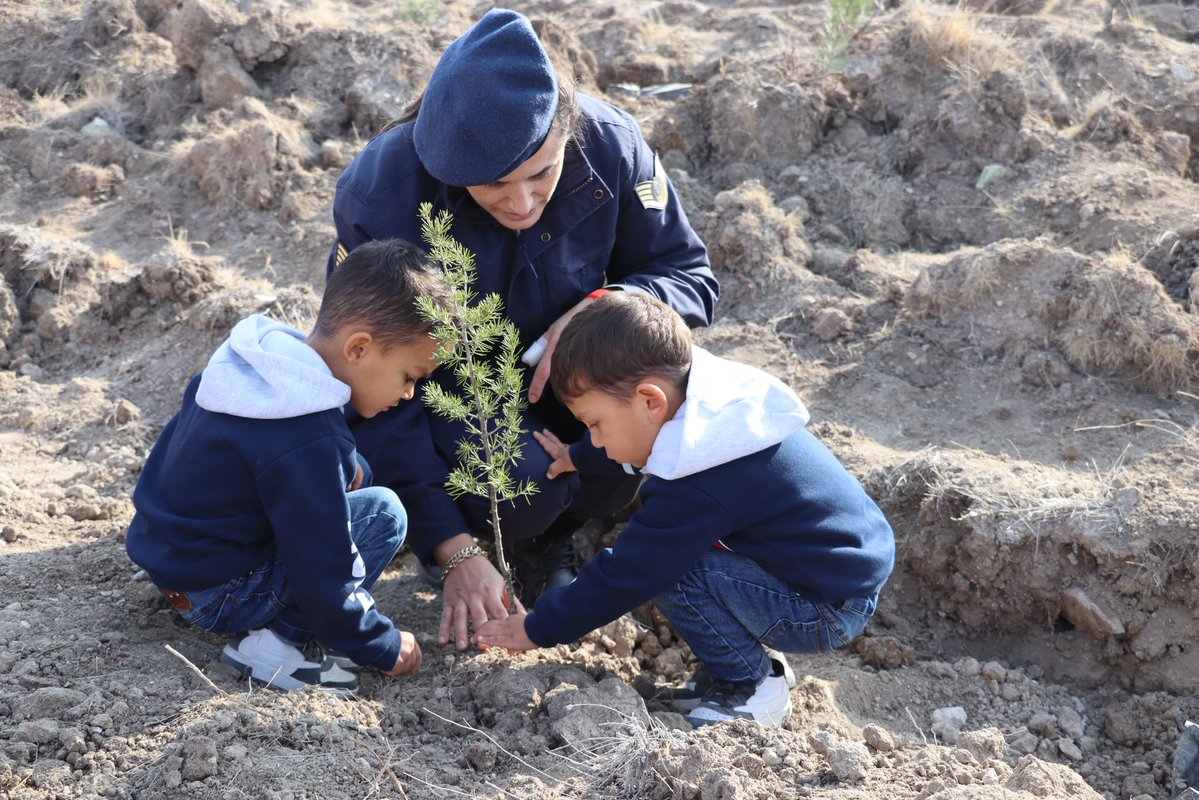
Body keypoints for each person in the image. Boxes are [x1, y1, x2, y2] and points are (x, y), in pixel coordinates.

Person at [328, 8, 719, 650]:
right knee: (521, 484)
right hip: (455, 401)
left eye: (542, 173)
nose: (521, 202)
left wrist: (609, 303)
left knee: (629, 435)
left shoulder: (612, 146)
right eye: (492, 186)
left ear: (568, 134)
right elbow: (371, 388)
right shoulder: (384, 196)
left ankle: (565, 532)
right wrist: (449, 548)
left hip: (573, 381)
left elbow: (687, 272)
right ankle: (503, 535)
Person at [476, 292, 896, 727]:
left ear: (649, 400)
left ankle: (751, 685)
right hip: (834, 572)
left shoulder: (702, 479)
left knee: (677, 570)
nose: (596, 437)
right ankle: (742, 665)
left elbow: (632, 570)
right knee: (687, 560)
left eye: (594, 424)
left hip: (823, 610)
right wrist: (581, 455)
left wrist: (539, 627)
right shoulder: (711, 407)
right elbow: (641, 437)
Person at [126, 239, 451, 694]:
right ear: (358, 348)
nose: (409, 394)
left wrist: (340, 462)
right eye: (410, 376)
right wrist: (380, 643)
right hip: (220, 596)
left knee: (350, 491)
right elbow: (326, 568)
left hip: (172, 564)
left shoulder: (256, 364)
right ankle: (279, 649)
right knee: (382, 514)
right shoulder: (308, 435)